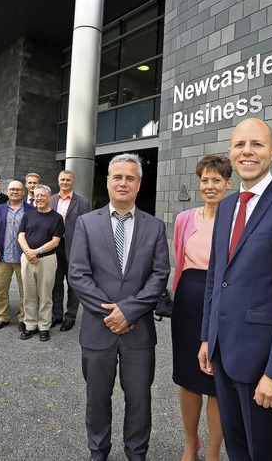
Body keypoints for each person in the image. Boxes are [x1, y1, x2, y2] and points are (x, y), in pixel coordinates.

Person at [198, 118, 272, 461]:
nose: (247, 151)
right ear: (231, 152)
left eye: (257, 144)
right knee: (236, 449)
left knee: (263, 452)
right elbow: (215, 277)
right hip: (223, 353)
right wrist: (208, 337)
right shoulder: (225, 207)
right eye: (239, 145)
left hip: (262, 362)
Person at [68, 153, 170, 461]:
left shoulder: (155, 226)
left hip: (139, 332)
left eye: (130, 178)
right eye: (118, 177)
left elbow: (159, 275)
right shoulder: (86, 223)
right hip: (98, 330)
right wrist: (110, 313)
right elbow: (78, 274)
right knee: (97, 398)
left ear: (139, 184)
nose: (123, 183)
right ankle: (98, 452)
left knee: (139, 400)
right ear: (108, 181)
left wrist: (129, 311)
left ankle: (136, 453)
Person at [172, 155, 231, 461]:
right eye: (205, 180)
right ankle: (190, 441)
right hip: (187, 303)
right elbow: (179, 263)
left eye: (216, 180)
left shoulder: (237, 221)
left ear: (228, 184)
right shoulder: (184, 219)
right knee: (187, 378)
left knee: (215, 381)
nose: (210, 186)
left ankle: (212, 451)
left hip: (221, 305)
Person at [18, 184, 65, 342]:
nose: (39, 198)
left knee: (45, 295)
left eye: (42, 196)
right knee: (29, 294)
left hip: (47, 260)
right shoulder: (28, 215)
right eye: (36, 196)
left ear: (49, 197)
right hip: (27, 259)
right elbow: (20, 236)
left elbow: (56, 241)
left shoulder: (57, 217)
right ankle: (30, 324)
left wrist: (36, 252)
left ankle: (44, 325)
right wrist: (28, 253)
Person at [0, 180, 35, 331]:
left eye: (18, 190)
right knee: (0, 290)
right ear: (7, 191)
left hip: (23, 257)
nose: (15, 192)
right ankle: (3, 317)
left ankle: (23, 318)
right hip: (3, 257)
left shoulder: (31, 210)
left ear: (23, 192)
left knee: (25, 291)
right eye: (12, 189)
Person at [50, 170, 91, 331]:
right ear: (58, 181)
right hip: (54, 246)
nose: (65, 182)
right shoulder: (51, 200)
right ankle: (57, 315)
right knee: (56, 283)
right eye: (62, 180)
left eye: (68, 180)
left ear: (73, 182)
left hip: (74, 247)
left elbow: (86, 228)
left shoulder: (82, 202)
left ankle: (70, 317)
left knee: (73, 284)